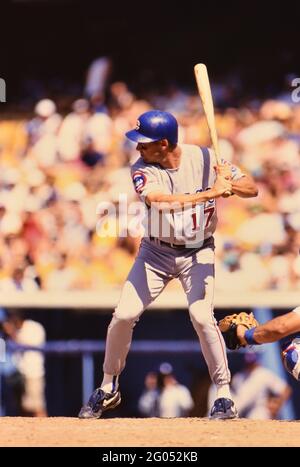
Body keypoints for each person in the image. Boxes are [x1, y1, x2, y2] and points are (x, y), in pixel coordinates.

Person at [79, 110, 258, 420]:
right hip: (155, 252)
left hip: (198, 250)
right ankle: (109, 386)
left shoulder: (206, 158)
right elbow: (160, 200)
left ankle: (224, 394)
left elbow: (251, 188)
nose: (138, 149)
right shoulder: (142, 168)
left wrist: (230, 184)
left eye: (144, 143)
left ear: (163, 143)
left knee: (202, 316)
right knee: (123, 314)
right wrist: (212, 192)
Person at [0, 309, 47, 416]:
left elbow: (27, 344)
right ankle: (29, 432)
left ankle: (44, 430)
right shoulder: (16, 331)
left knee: (36, 406)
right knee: (23, 407)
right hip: (21, 372)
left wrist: (12, 333)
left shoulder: (33, 328)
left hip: (34, 372)